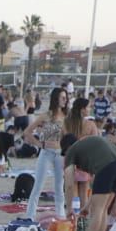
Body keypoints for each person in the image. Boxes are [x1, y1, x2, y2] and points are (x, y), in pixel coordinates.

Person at [67, 133, 116, 231]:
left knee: (98, 210)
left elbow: (69, 185)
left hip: (109, 165)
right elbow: (97, 186)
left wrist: (68, 208)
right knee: (103, 209)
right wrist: (87, 206)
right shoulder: (88, 149)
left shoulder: (70, 152)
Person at [23, 88, 71, 220]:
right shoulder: (46, 116)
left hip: (60, 153)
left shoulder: (66, 117)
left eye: (65, 97)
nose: (64, 100)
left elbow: (68, 137)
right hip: (46, 152)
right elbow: (27, 132)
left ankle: (60, 214)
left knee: (59, 186)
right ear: (56, 99)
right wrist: (39, 144)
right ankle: (30, 216)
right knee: (38, 185)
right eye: (62, 97)